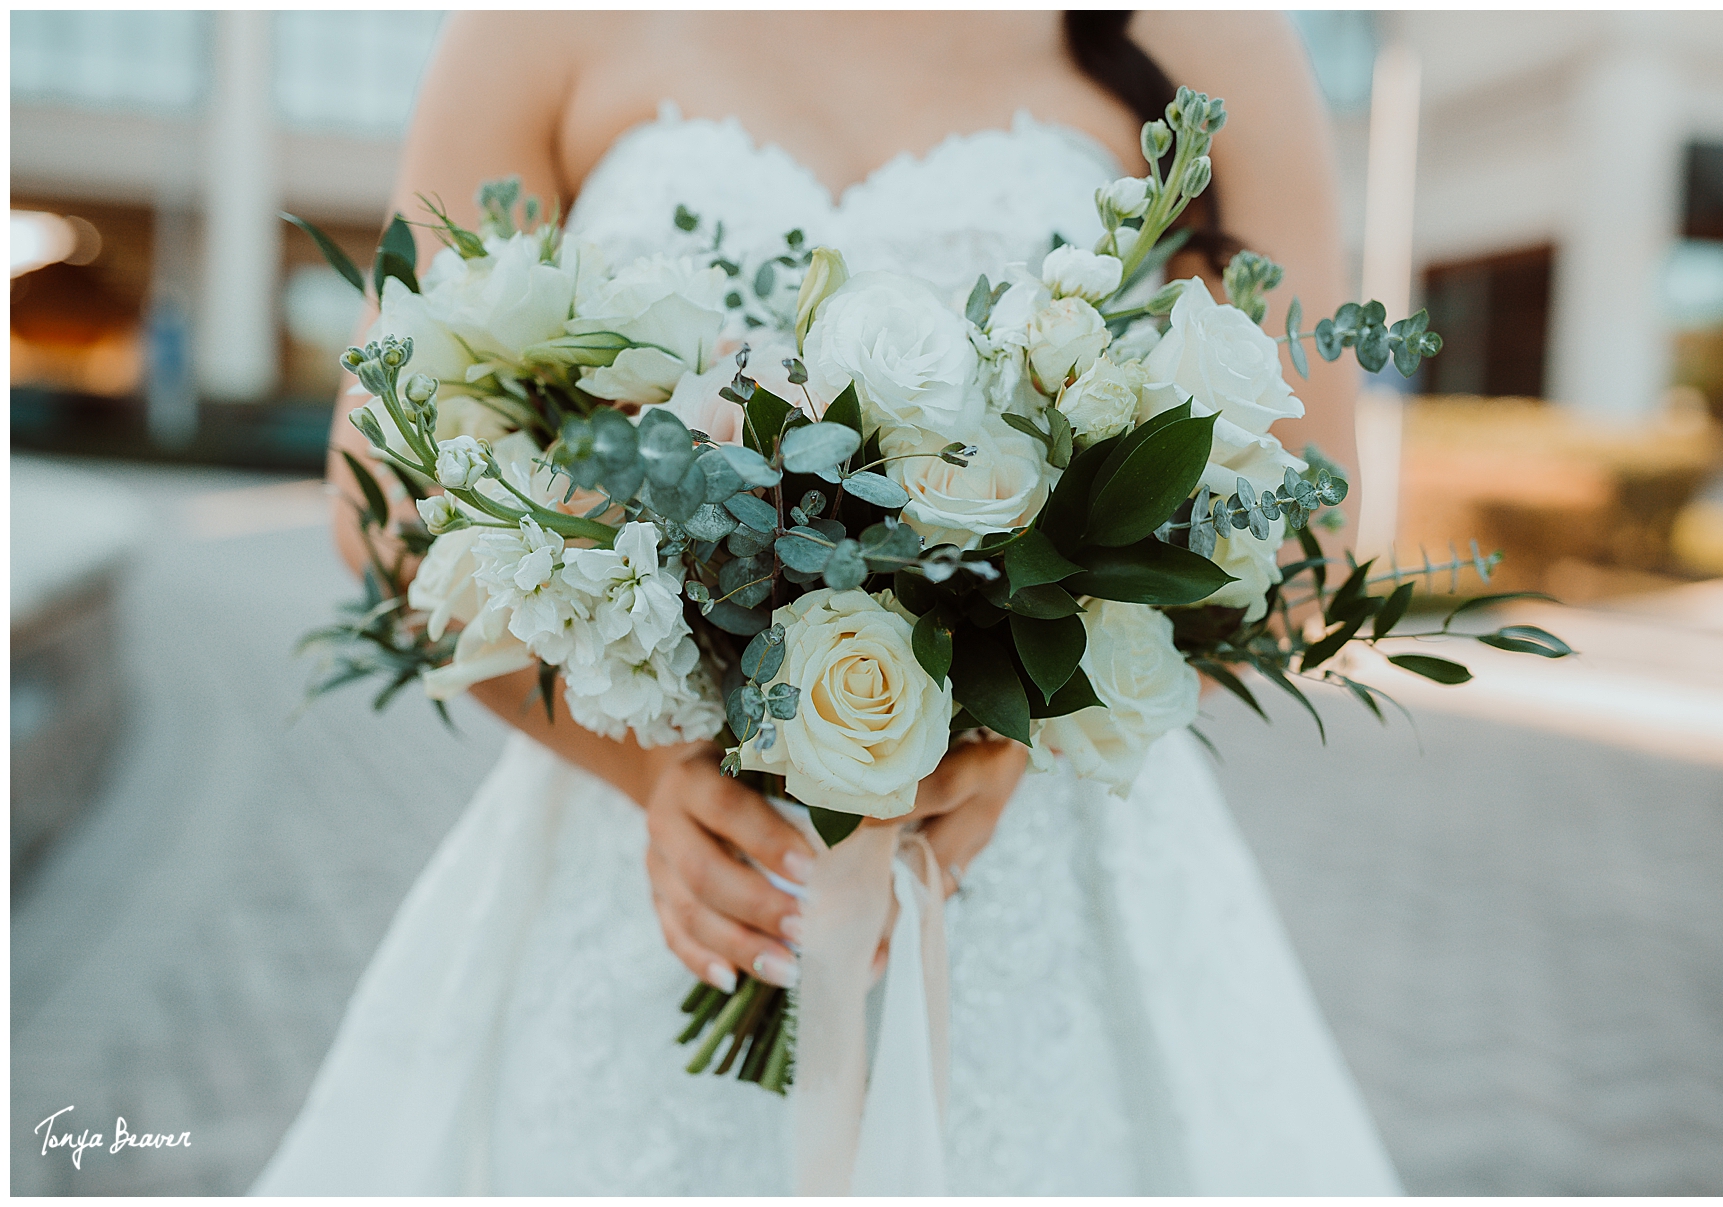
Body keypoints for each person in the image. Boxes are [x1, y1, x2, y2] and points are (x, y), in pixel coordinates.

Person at [256, 11, 1400, 1194]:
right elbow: (386, 494)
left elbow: (1303, 520)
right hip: (655, 857)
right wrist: (647, 770)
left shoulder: (1209, 31)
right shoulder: (537, 25)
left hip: (1033, 868)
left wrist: (1031, 712)